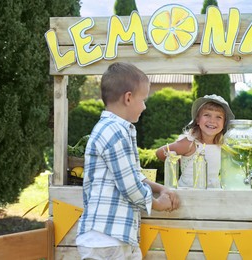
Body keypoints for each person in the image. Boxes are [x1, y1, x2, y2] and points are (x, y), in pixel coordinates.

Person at [76, 62, 179, 260]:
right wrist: (159, 204)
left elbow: (132, 174)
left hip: (117, 237)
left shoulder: (118, 129)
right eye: (143, 100)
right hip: (106, 238)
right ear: (129, 98)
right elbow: (130, 186)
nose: (145, 106)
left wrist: (161, 188)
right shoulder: (114, 132)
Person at [156, 94, 235, 188]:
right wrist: (179, 162)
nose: (212, 121)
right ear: (197, 120)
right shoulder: (190, 143)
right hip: (188, 193)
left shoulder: (222, 145)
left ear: (224, 124)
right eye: (207, 115)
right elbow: (160, 152)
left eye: (218, 117)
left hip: (213, 193)